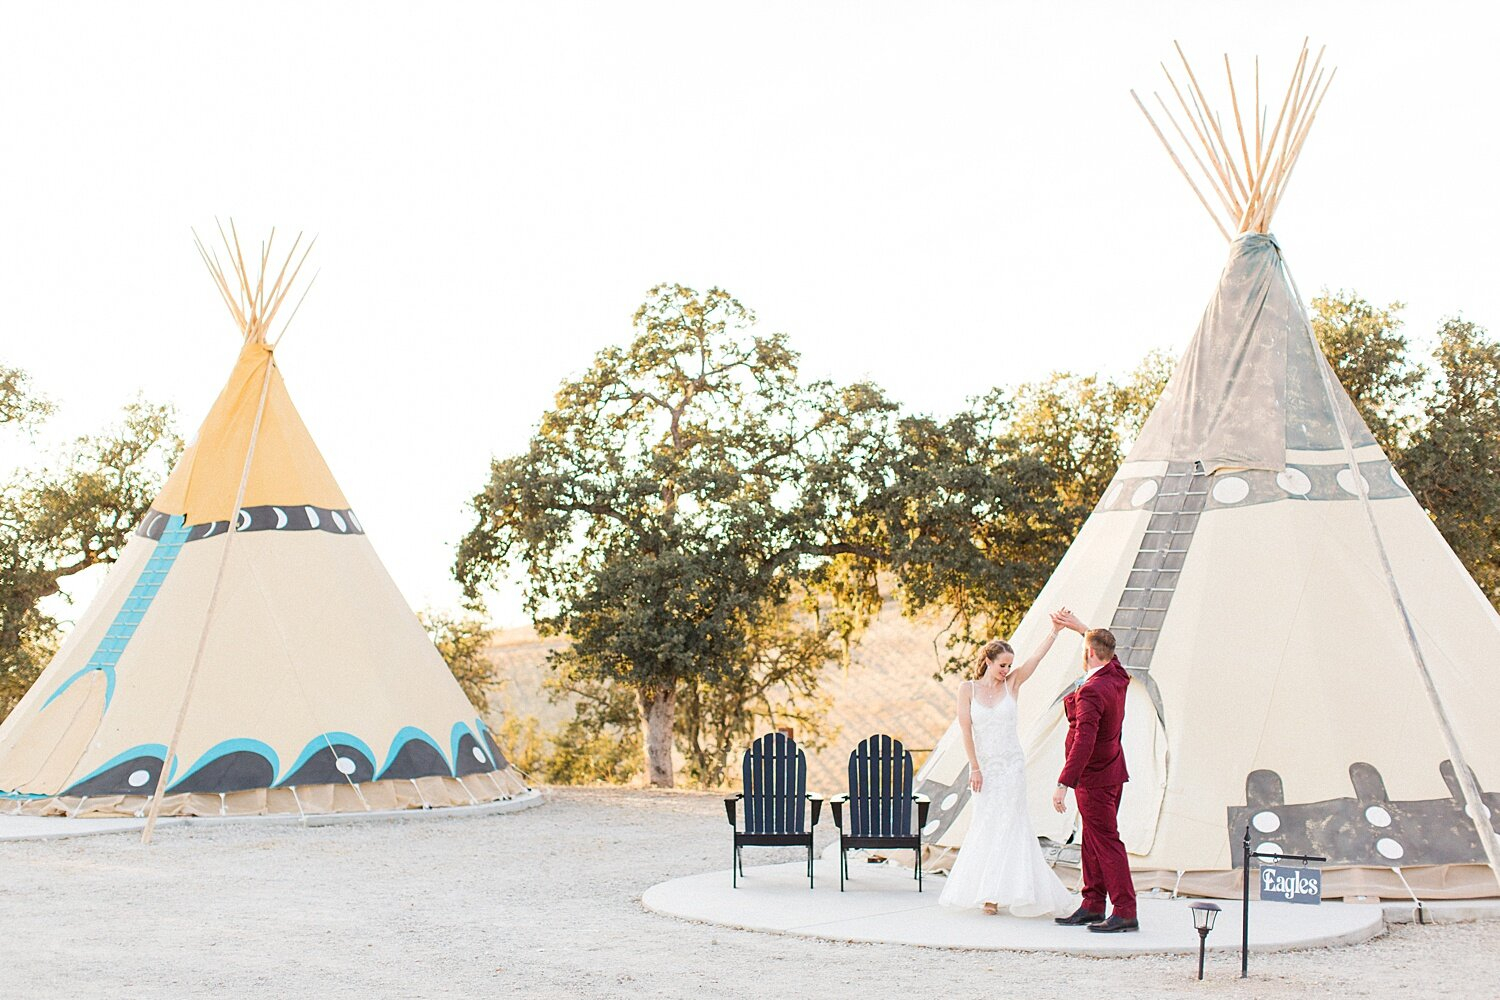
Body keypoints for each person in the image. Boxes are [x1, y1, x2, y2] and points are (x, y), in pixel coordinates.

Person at [938, 627, 1074, 918]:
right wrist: (974, 767)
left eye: (1010, 665)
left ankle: (1000, 894)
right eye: (1002, 665)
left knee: (1011, 824)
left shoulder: (1012, 685)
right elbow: (966, 731)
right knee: (986, 823)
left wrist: (1053, 631)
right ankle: (988, 891)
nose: (1006, 670)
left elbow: (1035, 660)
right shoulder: (968, 690)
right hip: (985, 768)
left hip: (1011, 767)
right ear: (988, 661)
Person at [1049, 609, 1138, 933]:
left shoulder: (1091, 691)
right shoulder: (1117, 677)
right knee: (1093, 840)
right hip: (1113, 772)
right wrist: (1081, 629)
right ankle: (1092, 903)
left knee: (1106, 841)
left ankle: (1125, 909)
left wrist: (1063, 782)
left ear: (1088, 654)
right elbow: (1106, 652)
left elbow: (1083, 743)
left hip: (1095, 778)